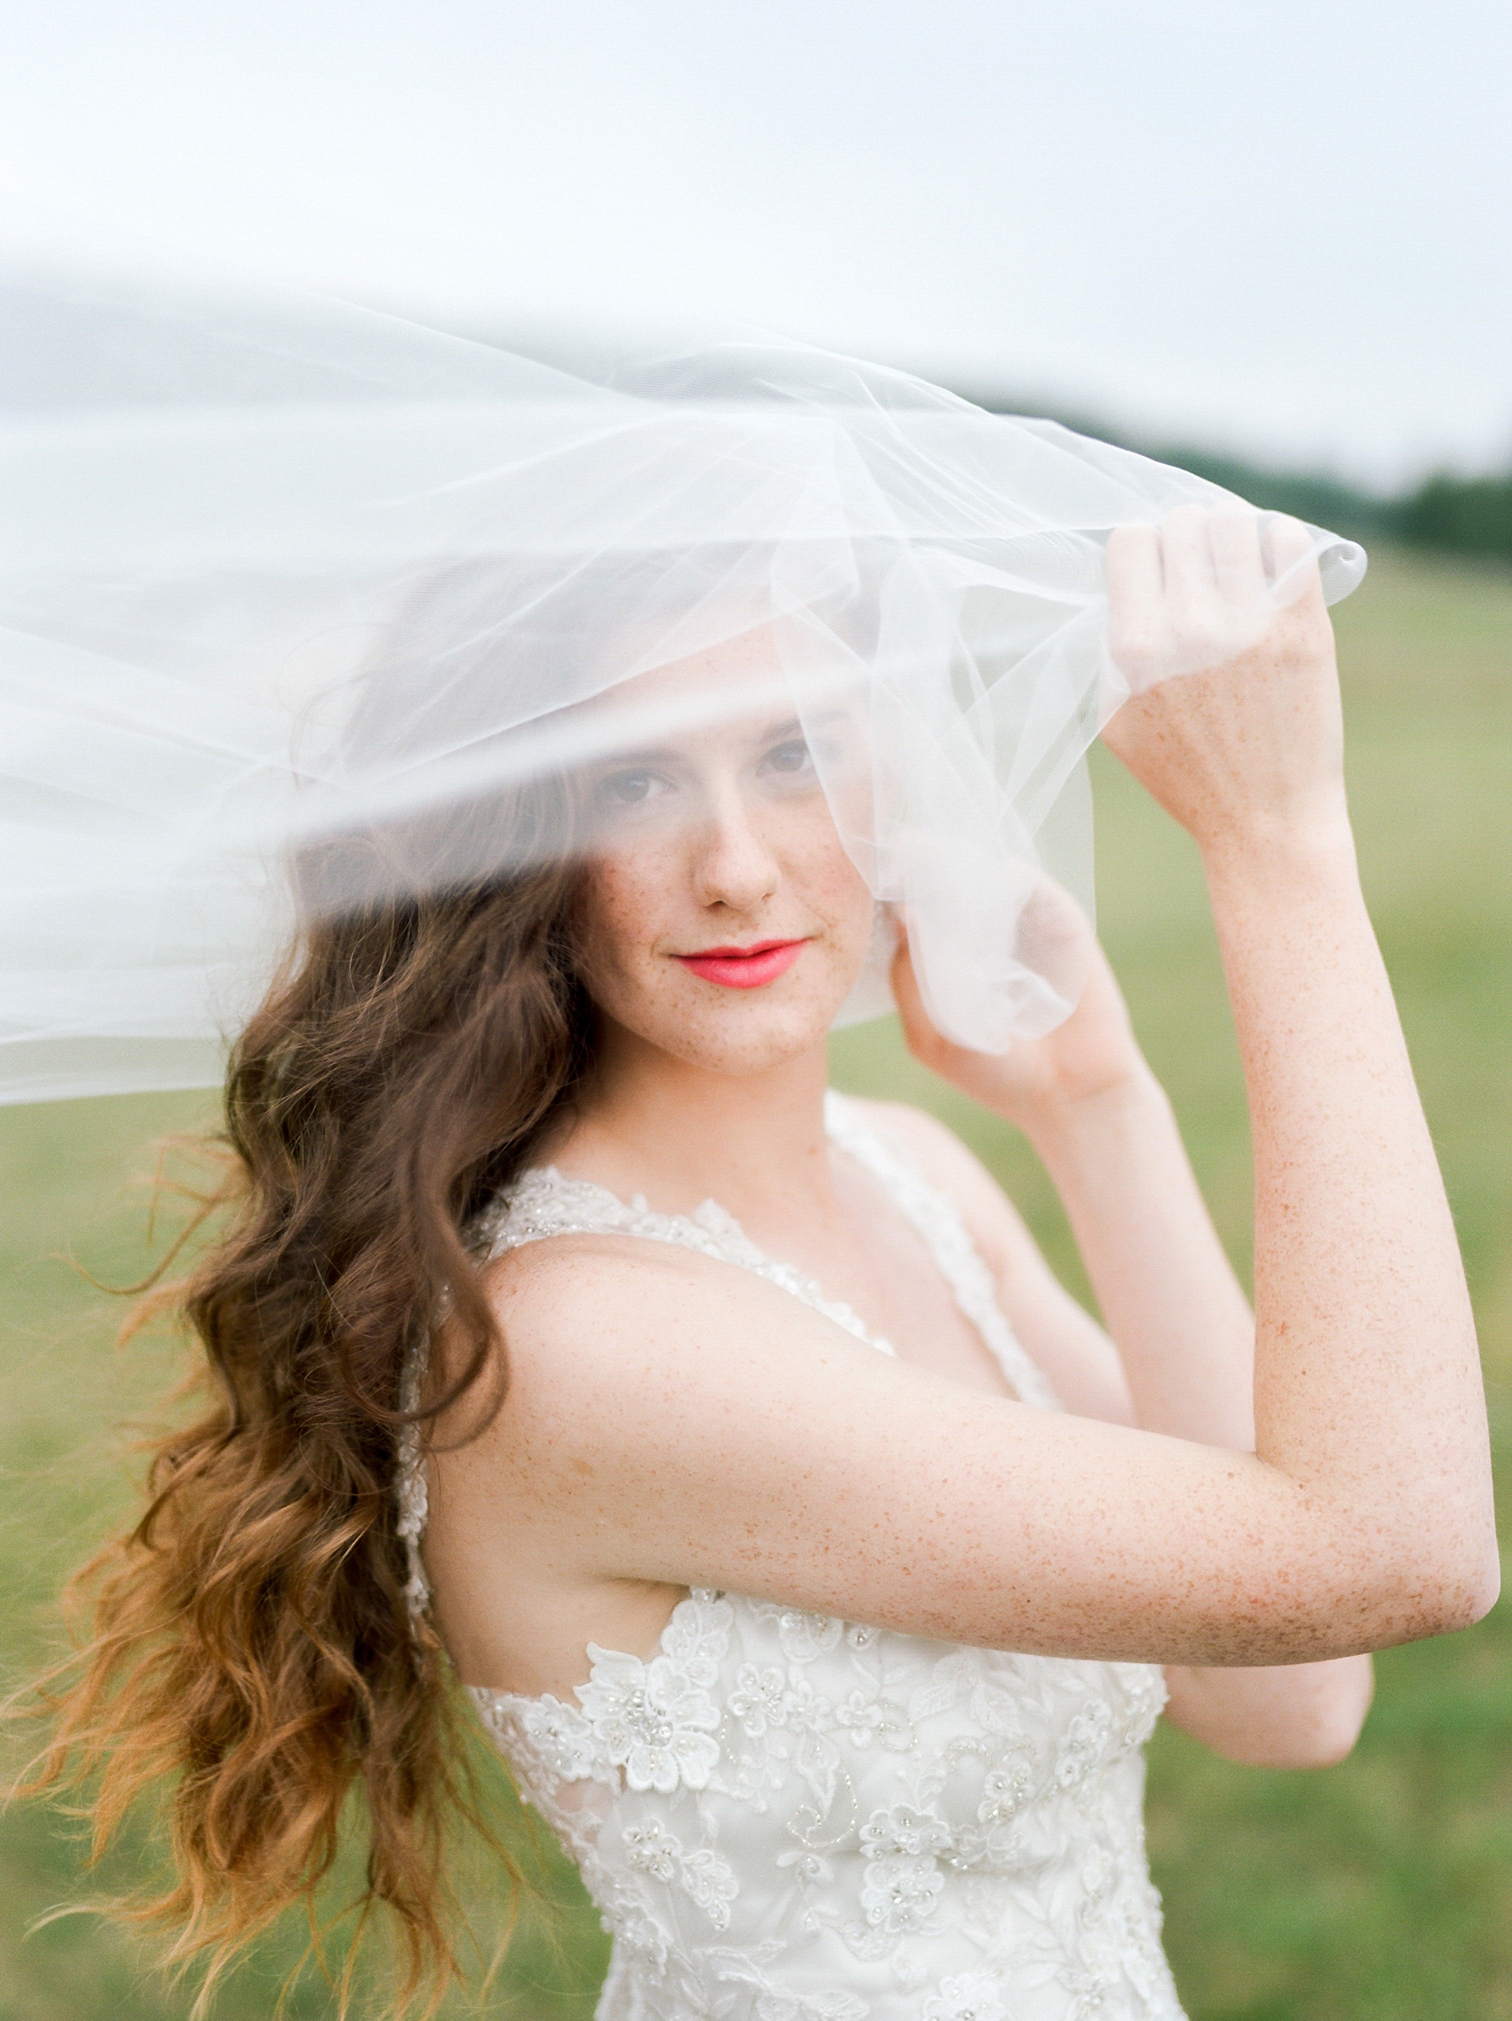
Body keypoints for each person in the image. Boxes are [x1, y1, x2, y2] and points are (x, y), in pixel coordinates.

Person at [5, 272, 1495, 2019]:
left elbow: (1293, 1695)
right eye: (636, 781)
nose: (736, 863)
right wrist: (1278, 840)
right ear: (521, 844)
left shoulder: (917, 1180)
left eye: (797, 752)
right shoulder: (583, 1346)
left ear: (902, 769)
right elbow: (1398, 1548)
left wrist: (1102, 1109)